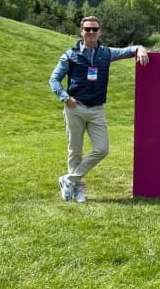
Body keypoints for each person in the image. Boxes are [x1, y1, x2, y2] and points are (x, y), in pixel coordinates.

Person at [49, 16, 149, 203]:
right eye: (88, 29)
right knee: (75, 151)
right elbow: (54, 79)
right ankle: (77, 190)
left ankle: (68, 179)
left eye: (95, 29)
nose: (91, 33)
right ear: (81, 32)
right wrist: (64, 97)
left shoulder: (106, 53)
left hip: (96, 109)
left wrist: (140, 49)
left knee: (102, 148)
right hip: (75, 108)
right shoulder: (70, 55)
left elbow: (130, 50)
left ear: (100, 32)